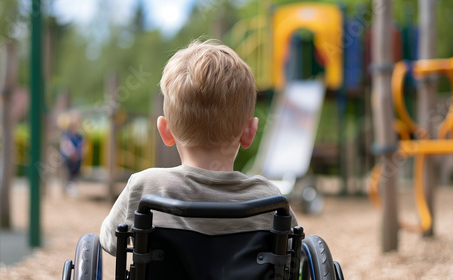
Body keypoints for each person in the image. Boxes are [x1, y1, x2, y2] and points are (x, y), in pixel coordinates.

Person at [100, 39, 297, 256]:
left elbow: (110, 242)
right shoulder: (268, 200)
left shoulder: (146, 188)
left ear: (165, 131)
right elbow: (293, 252)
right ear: (249, 132)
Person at [59, 111, 83, 196]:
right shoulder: (66, 134)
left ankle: (72, 184)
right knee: (69, 167)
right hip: (68, 157)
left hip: (76, 157)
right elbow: (66, 146)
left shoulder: (79, 135)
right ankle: (69, 184)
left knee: (76, 167)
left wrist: (78, 154)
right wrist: (72, 153)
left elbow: (82, 146)